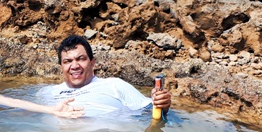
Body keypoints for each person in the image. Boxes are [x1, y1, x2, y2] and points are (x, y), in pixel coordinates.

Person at [39, 34, 172, 117]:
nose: (74, 66)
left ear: (92, 63)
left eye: (81, 59)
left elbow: (149, 112)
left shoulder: (114, 85)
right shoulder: (46, 92)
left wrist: (162, 105)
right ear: (61, 67)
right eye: (68, 61)